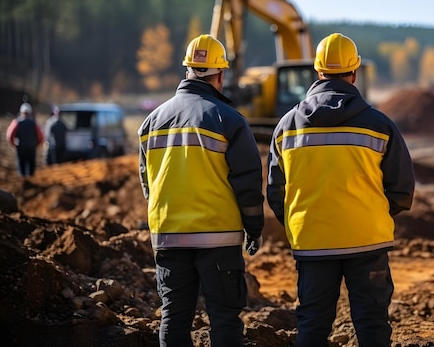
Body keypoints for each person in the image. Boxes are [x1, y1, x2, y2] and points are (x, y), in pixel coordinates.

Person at [267, 33, 415, 347]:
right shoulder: (379, 124)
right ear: (355, 72)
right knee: (372, 325)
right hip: (367, 241)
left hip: (312, 241)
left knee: (312, 325)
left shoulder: (287, 126)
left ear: (317, 71)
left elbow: (275, 192)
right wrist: (369, 212)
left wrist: (301, 221)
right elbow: (401, 189)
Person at [138, 34, 264, 347]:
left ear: (187, 72)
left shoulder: (150, 122)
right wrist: (254, 227)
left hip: (167, 236)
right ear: (220, 75)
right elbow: (247, 181)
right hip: (217, 238)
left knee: (174, 318)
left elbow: (147, 182)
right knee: (223, 319)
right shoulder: (229, 120)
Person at [6, 102, 45, 177]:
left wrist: (13, 143)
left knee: (21, 163)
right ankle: (31, 178)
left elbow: (10, 135)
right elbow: (40, 135)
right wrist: (37, 144)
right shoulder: (34, 123)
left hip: (21, 147)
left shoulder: (17, 122)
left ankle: (23, 179)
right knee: (31, 163)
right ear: (30, 113)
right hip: (32, 146)